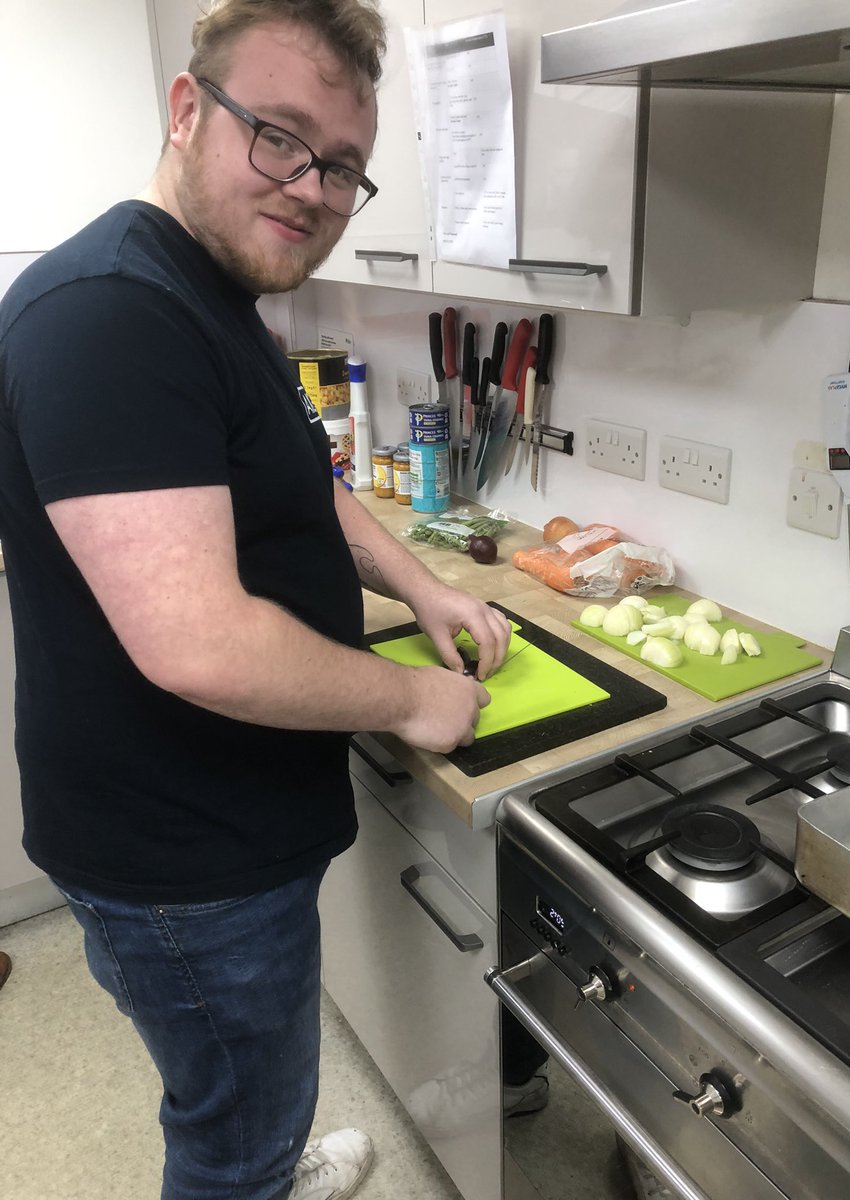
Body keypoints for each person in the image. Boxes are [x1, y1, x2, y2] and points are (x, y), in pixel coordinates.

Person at [0, 2, 511, 1198]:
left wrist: (422, 584)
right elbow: (200, 642)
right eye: (278, 136)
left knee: (246, 1094)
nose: (311, 188)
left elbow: (300, 482)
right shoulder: (113, 315)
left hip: (218, 825)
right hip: (184, 861)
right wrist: (410, 698)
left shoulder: (206, 293)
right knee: (230, 1136)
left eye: (341, 166)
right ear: (188, 111)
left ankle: (272, 1160)